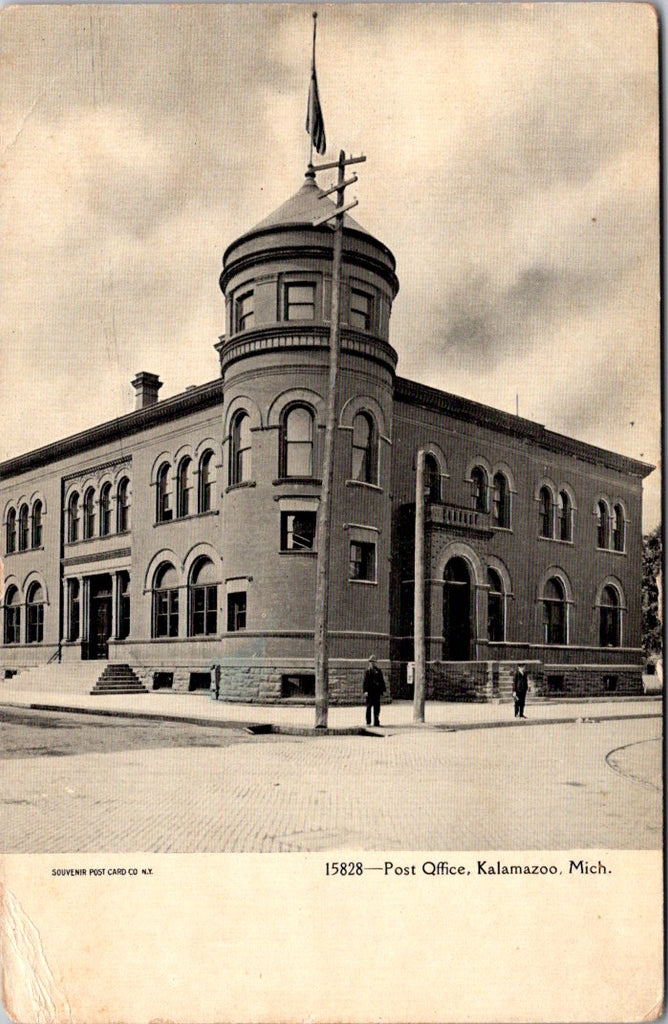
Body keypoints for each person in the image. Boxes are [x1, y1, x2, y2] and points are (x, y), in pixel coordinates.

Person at [363, 655, 386, 727]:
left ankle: (376, 721)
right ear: (369, 663)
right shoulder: (367, 671)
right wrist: (365, 691)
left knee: (377, 707)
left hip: (376, 692)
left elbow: (382, 681)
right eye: (371, 662)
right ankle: (368, 722)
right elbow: (365, 682)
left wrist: (383, 690)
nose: (372, 663)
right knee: (369, 707)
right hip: (370, 692)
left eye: (374, 662)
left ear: (376, 662)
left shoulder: (379, 671)